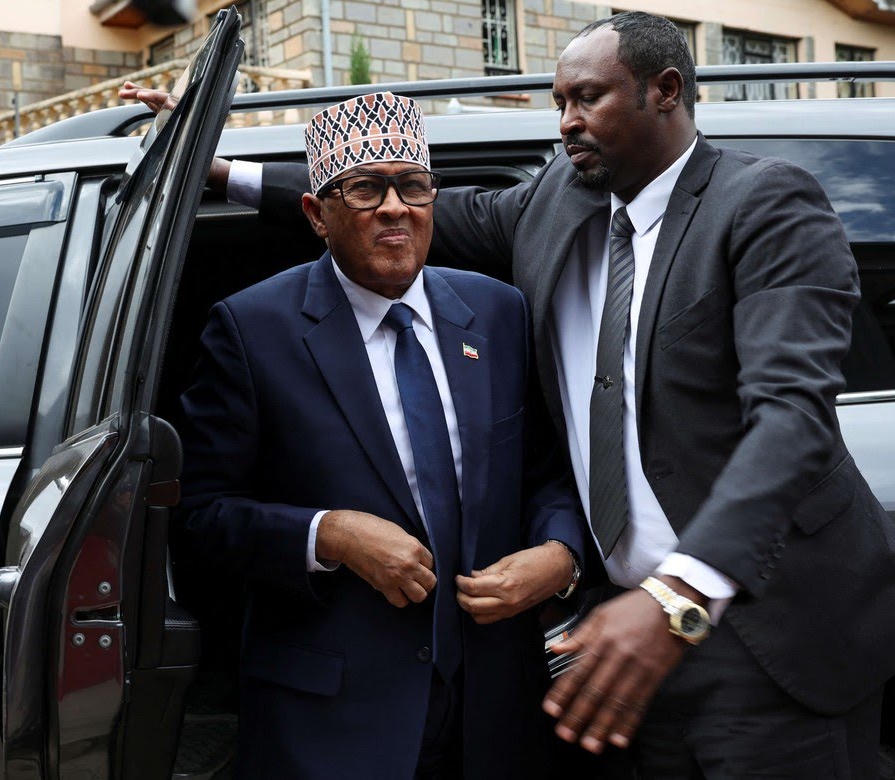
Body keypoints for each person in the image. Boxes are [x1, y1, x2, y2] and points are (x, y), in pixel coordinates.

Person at [140, 11, 895, 777]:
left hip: (765, 630)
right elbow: (397, 208)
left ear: (665, 90)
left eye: (586, 98)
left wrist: (675, 596)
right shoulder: (560, 200)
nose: (565, 123)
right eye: (559, 102)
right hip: (615, 640)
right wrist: (219, 171)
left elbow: (791, 418)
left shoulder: (764, 203)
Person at [174, 90, 587, 779]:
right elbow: (199, 519)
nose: (395, 208)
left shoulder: (497, 311)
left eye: (413, 186)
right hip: (335, 723)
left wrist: (560, 555)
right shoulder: (252, 329)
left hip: (494, 710)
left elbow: (548, 471)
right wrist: (327, 534)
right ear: (317, 214)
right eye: (365, 189)